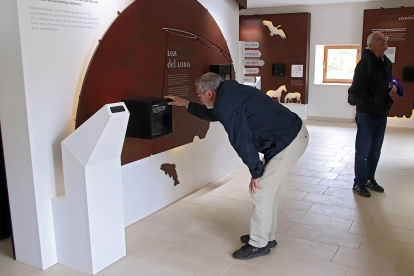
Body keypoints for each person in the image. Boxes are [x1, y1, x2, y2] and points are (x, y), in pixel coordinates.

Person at [165, 73, 308, 260]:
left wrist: (256, 171)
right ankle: (266, 236)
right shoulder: (229, 92)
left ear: (209, 92)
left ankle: (258, 244)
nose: (199, 98)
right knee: (268, 190)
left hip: (288, 141)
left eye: (199, 96)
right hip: (289, 136)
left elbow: (241, 140)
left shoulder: (226, 103)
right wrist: (186, 104)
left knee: (261, 191)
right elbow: (214, 113)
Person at [350, 31, 402, 197]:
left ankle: (370, 179)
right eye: (379, 39)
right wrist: (372, 103)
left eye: (385, 38)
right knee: (363, 151)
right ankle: (359, 183)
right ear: (371, 45)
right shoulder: (365, 63)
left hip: (381, 113)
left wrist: (392, 88)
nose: (384, 40)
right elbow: (356, 90)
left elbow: (386, 82)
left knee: (375, 150)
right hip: (367, 114)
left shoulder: (386, 62)